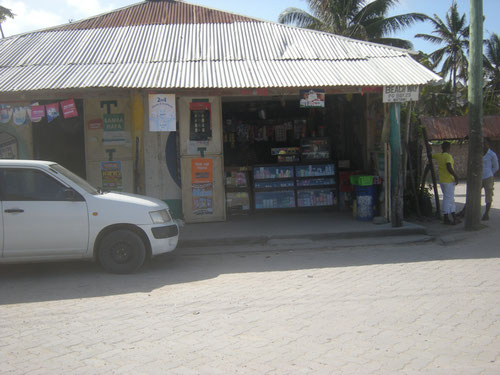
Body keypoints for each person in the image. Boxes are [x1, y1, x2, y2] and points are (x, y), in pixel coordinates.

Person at [457, 139, 499, 220]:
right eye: (482, 144)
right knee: (472, 194)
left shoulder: (492, 154)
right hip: (478, 178)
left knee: (488, 195)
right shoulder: (478, 154)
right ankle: (464, 211)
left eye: (485, 144)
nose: (483, 146)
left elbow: (496, 167)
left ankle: (486, 213)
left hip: (488, 177)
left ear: (488, 145)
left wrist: (489, 173)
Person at [432, 141, 461, 225]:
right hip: (448, 180)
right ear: (448, 148)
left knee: (450, 199)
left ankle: (454, 217)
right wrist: (456, 176)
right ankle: (446, 218)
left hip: (442, 180)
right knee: (447, 199)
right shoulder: (448, 156)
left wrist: (429, 149)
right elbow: (449, 166)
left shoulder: (439, 156)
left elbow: (431, 155)